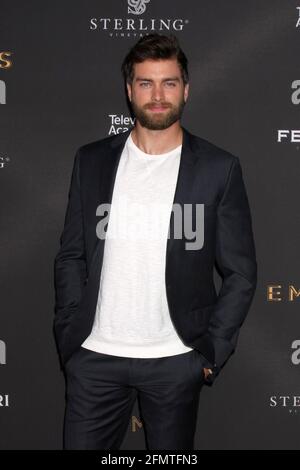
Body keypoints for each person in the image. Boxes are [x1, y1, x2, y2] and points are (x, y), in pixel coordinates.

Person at [54, 33, 257, 450]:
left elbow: (240, 272)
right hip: (94, 356)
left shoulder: (219, 168)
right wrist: (69, 331)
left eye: (169, 82)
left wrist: (211, 351)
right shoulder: (90, 161)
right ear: (129, 91)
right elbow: (72, 254)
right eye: (146, 83)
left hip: (175, 359)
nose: (158, 94)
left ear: (186, 89)